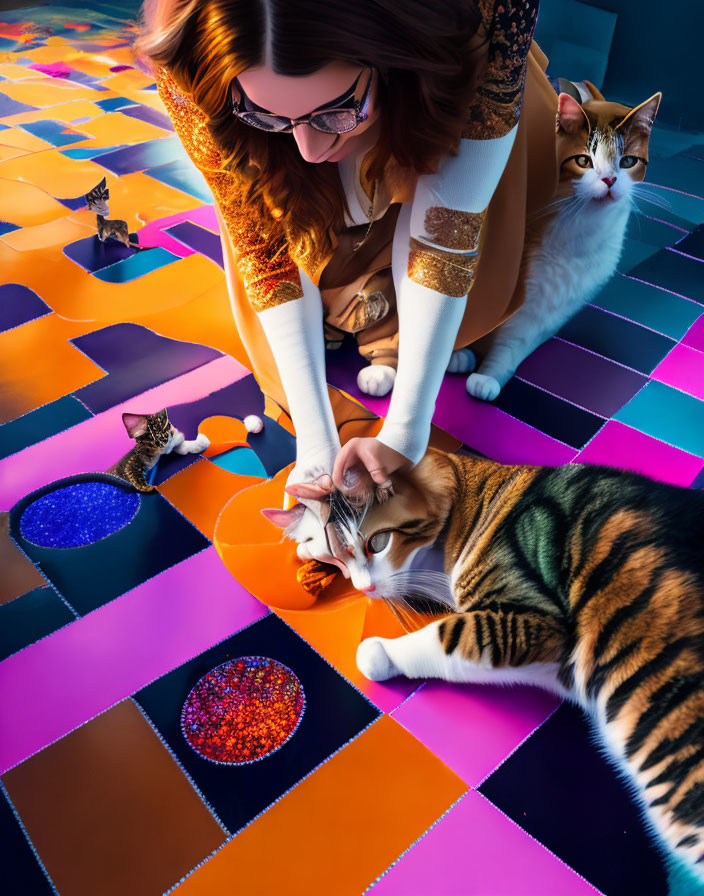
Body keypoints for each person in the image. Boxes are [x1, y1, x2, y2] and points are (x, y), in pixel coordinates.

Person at [135, 0, 557, 509]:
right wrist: (314, 440)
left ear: (391, 53)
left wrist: (406, 429)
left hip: (443, 73)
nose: (309, 149)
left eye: (333, 110)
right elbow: (264, 250)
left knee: (471, 270)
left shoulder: (488, 17)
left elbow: (446, 226)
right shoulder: (190, 57)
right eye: (264, 113)